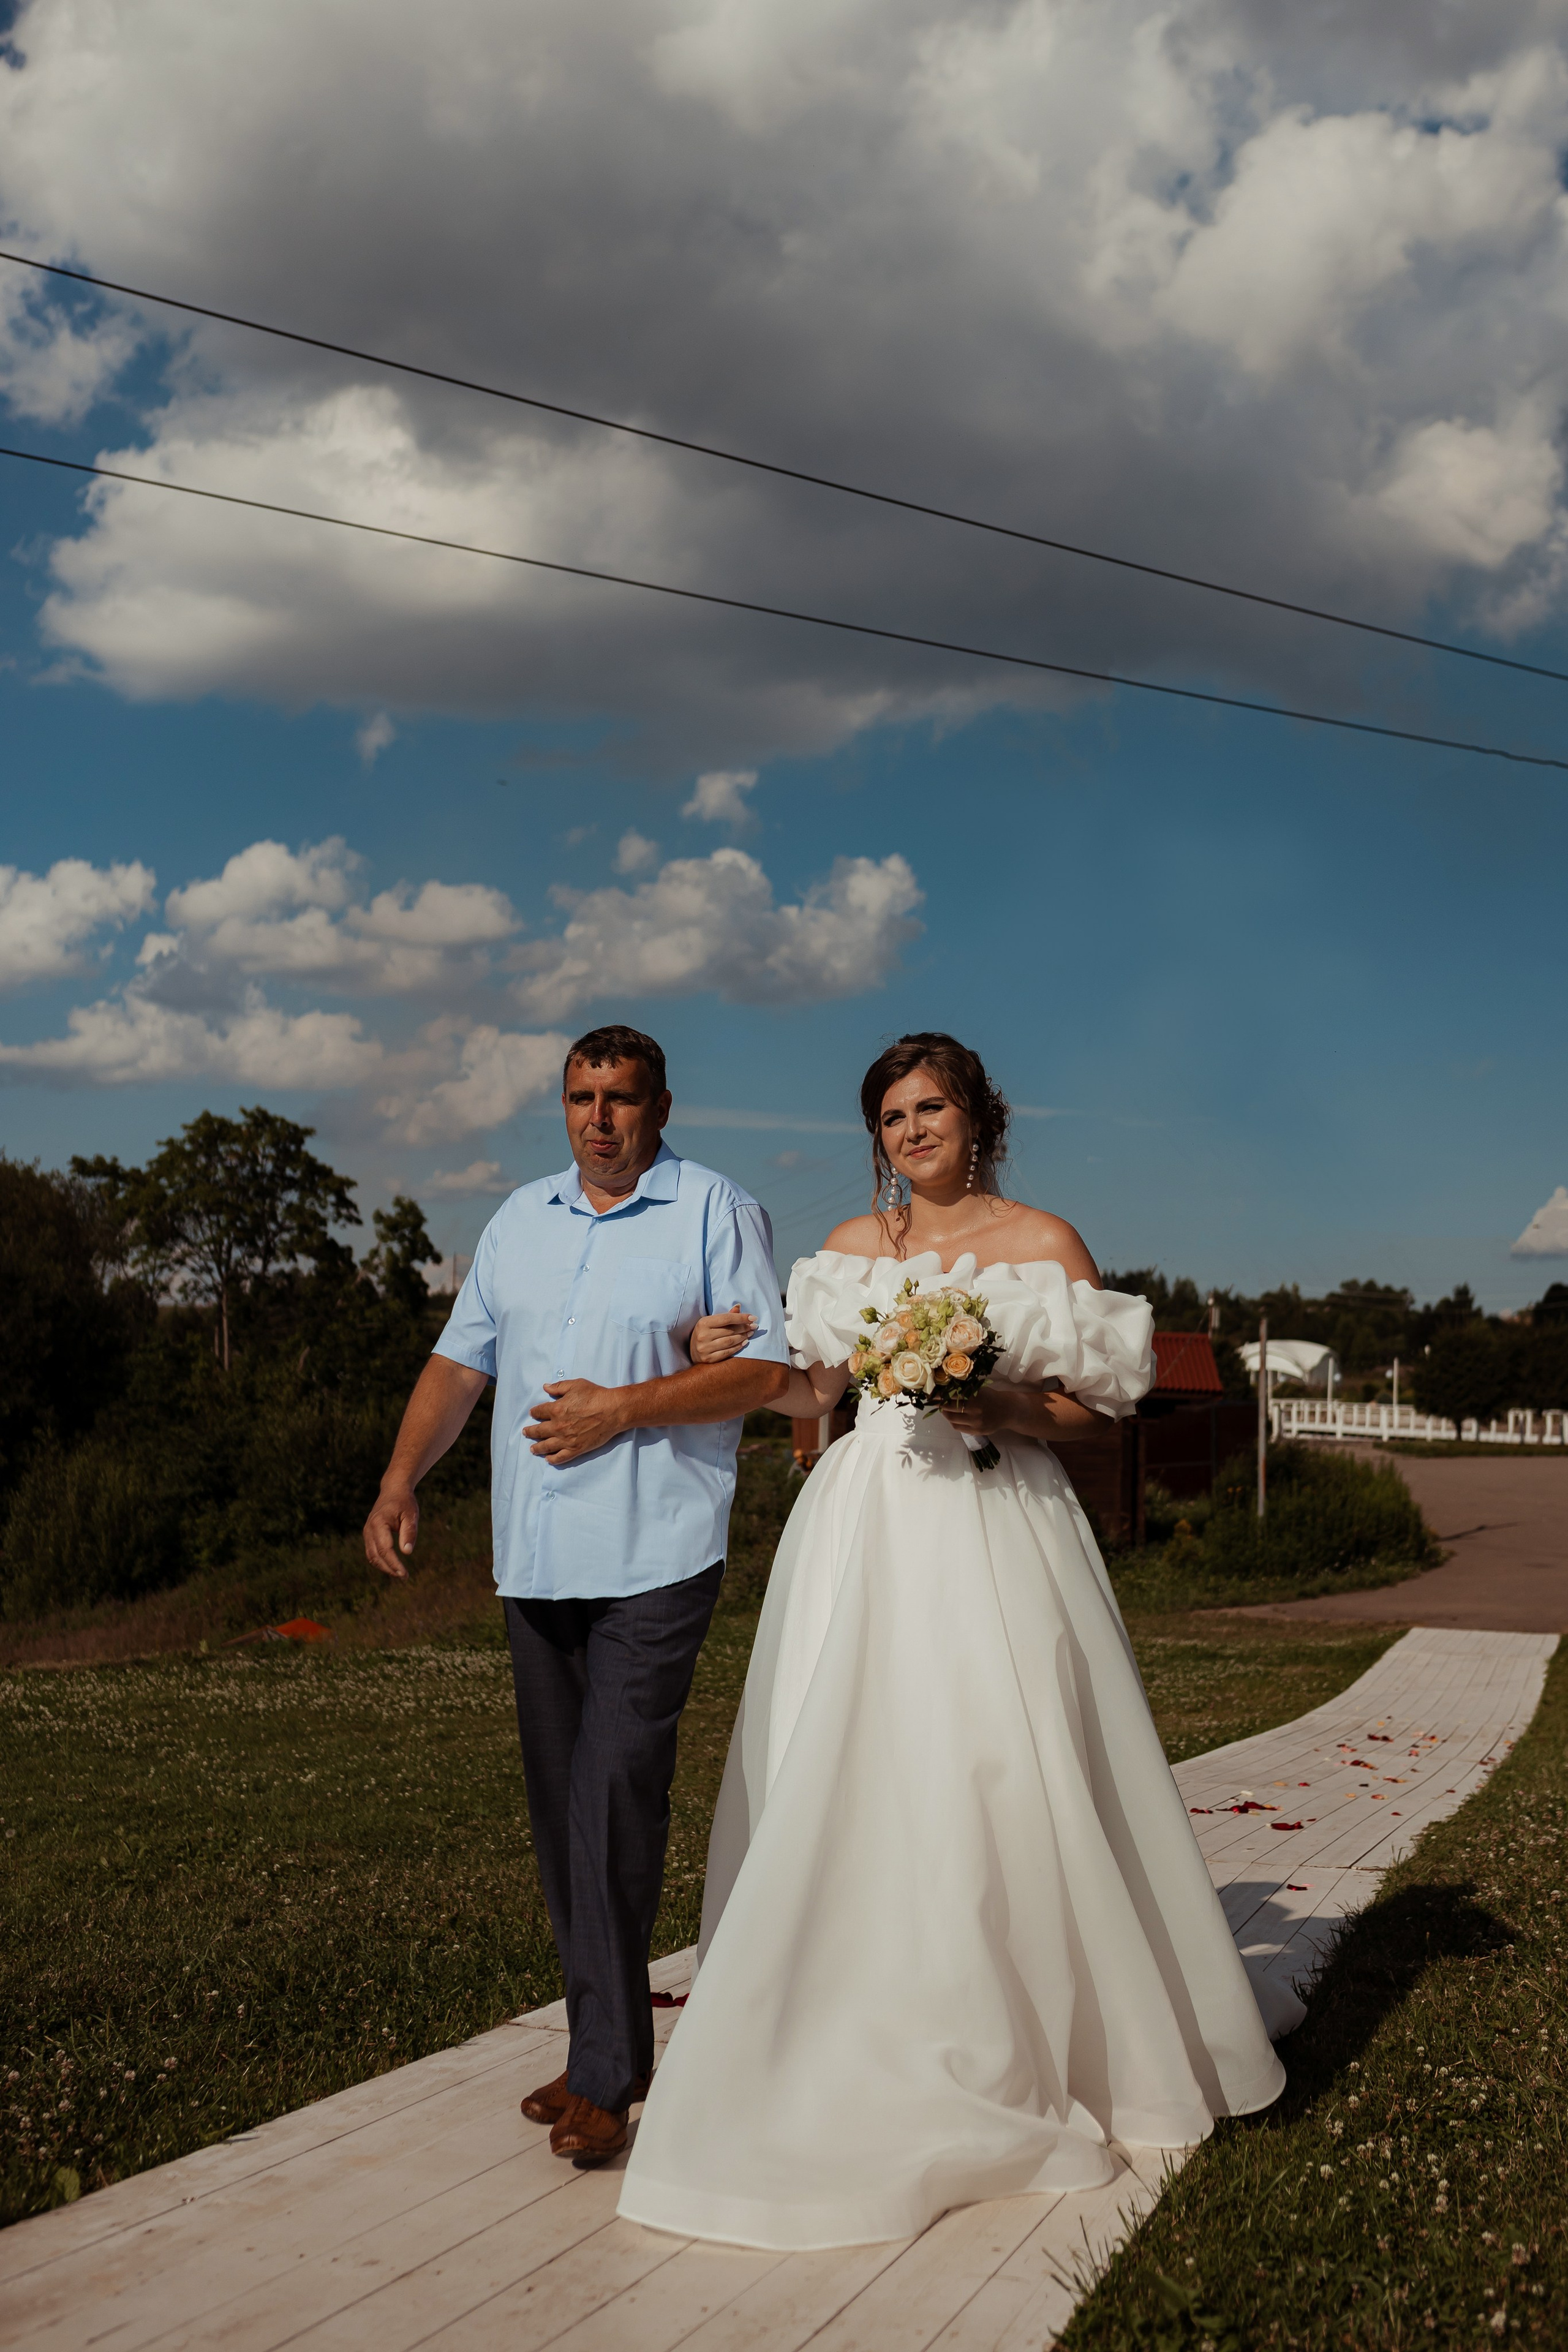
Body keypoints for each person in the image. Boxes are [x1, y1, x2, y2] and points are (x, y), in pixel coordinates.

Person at [617, 1031, 1297, 2249]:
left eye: (928, 1107)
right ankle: (847, 2011)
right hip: (863, 1529)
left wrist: (994, 1401)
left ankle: (1034, 2021)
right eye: (889, 1117)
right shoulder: (839, 1258)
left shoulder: (1041, 1246)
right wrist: (722, 1358)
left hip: (996, 1520)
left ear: (976, 1114)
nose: (910, 1131)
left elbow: (1098, 1419)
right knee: (854, 1769)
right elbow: (811, 1398)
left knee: (997, 1765)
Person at [363, 1024, 788, 2163]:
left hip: (657, 1552)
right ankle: (602, 2039)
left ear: (660, 1105)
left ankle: (608, 2077)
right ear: (564, 1107)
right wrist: (402, 1479)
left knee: (611, 1797)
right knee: (564, 1818)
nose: (601, 1118)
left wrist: (626, 1406)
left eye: (622, 1098)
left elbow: (770, 1373)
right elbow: (462, 1364)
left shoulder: (714, 1210)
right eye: (581, 1097)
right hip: (537, 1561)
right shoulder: (518, 1221)